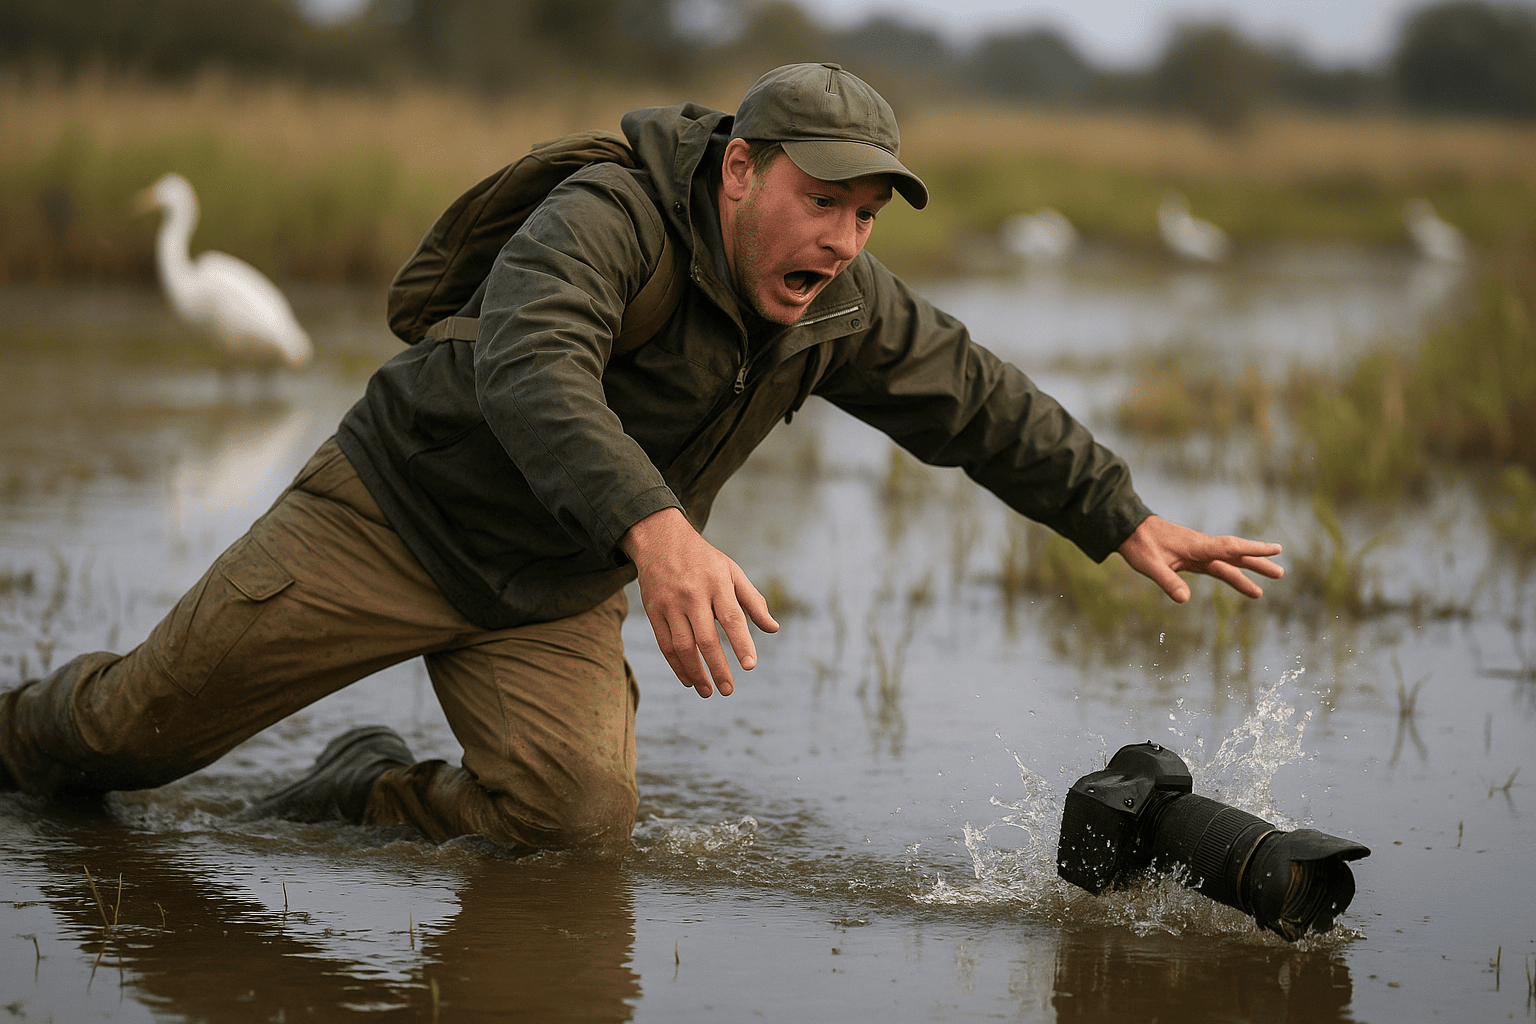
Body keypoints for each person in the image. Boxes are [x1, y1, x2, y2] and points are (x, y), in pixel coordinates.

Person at [0, 64, 1282, 849]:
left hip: (550, 585)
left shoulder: (838, 298)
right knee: (118, 740)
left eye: (862, 215)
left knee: (573, 822)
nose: (841, 240)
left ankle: (362, 791)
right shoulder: (608, 213)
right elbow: (531, 366)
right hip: (391, 517)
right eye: (818, 201)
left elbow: (973, 396)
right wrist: (659, 531)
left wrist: (1122, 514)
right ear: (738, 171)